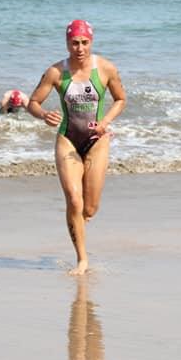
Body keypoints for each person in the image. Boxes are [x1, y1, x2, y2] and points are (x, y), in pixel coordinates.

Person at [26, 20, 126, 275]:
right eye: (74, 43)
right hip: (67, 139)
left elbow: (121, 99)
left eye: (84, 43)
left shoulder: (105, 69)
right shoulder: (56, 72)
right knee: (73, 199)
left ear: (91, 42)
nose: (79, 48)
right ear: (67, 43)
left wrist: (105, 122)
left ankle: (79, 222)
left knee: (89, 208)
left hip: (97, 141)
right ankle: (82, 259)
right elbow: (33, 102)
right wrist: (43, 115)